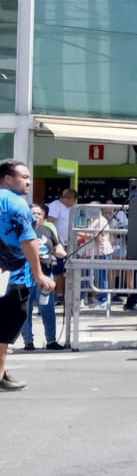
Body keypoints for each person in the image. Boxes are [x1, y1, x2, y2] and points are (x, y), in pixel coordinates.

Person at [1, 161, 55, 391]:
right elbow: (28, 240)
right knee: (6, 327)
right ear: (7, 178)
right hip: (13, 278)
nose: (29, 182)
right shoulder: (16, 204)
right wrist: (39, 274)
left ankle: (2, 372)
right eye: (24, 177)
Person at [23, 204, 66, 351]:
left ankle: (51, 340)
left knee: (47, 308)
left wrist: (61, 252)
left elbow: (57, 246)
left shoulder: (47, 230)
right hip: (26, 275)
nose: (36, 216)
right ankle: (28, 341)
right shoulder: (22, 229)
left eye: (39, 214)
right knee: (25, 309)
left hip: (46, 275)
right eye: (33, 213)